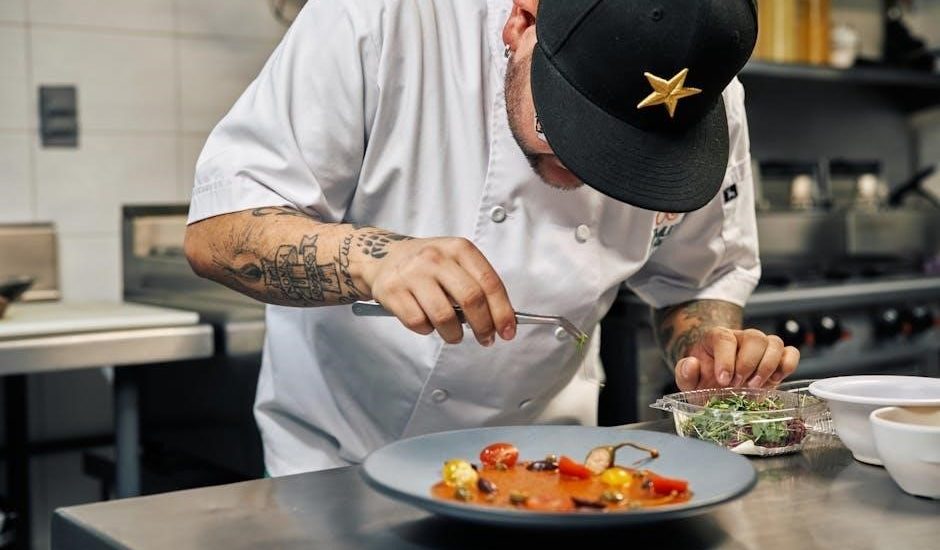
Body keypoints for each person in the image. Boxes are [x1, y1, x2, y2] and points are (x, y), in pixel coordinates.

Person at [184, 0, 799, 476]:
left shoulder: (701, 97)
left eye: (630, 156)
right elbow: (218, 231)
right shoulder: (383, 17)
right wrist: (375, 260)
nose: (587, 171)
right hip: (341, 464)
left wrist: (708, 348)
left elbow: (696, 280)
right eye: (565, 126)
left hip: (550, 461)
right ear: (521, 23)